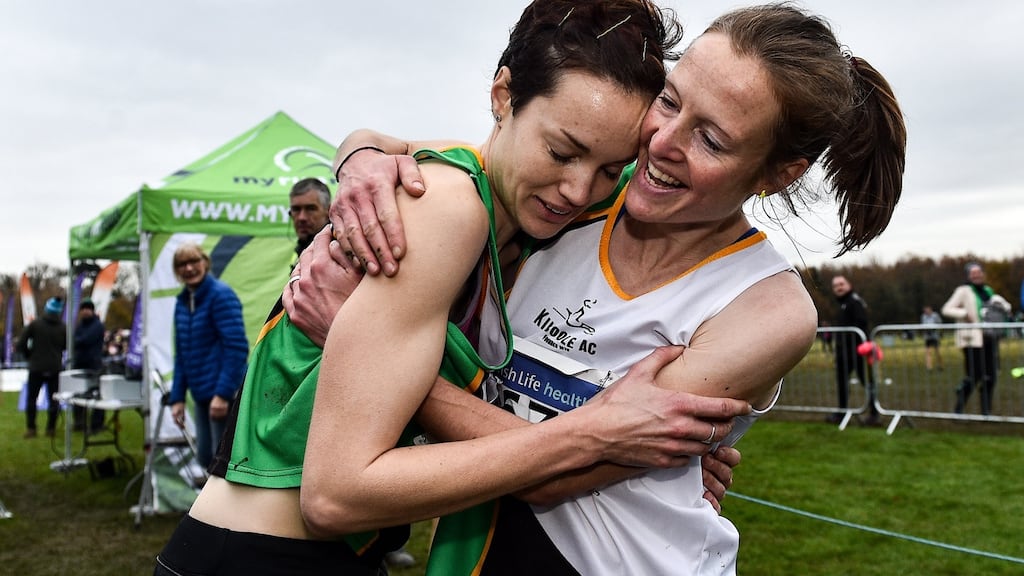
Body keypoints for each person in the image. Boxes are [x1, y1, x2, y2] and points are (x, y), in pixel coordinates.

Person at [311, 4, 906, 572]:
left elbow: (560, 474)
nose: (663, 141)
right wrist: (359, 158)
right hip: (480, 548)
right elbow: (412, 153)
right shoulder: (577, 191)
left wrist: (366, 355)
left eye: (712, 140)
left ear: (779, 175)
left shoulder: (764, 308)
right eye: (670, 101)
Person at [155, 3, 748, 575]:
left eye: (608, 170)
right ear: (502, 97)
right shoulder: (449, 207)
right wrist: (594, 436)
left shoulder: (506, 221)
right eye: (562, 152)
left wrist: (661, 465)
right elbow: (335, 496)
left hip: (315, 553)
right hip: (261, 552)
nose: (577, 190)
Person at [168, 242, 249, 469]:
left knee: (223, 462)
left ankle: (229, 506)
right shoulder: (182, 302)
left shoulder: (221, 295)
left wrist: (223, 394)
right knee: (205, 457)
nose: (189, 268)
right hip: (202, 395)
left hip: (224, 394)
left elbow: (236, 347)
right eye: (182, 264)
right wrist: (177, 398)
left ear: (205, 263)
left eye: (194, 261)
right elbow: (182, 355)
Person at [942, 262, 1012, 415]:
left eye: (979, 273)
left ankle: (986, 411)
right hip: (972, 339)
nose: (977, 276)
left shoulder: (988, 291)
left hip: (989, 338)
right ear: (968, 276)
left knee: (991, 376)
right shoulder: (963, 291)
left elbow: (1003, 305)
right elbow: (947, 309)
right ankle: (959, 404)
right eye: (973, 273)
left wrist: (1004, 310)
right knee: (975, 375)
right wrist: (964, 314)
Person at [827, 275, 879, 425]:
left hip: (858, 352)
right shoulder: (843, 304)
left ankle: (874, 414)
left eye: (841, 284)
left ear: (849, 284)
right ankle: (842, 412)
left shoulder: (854, 302)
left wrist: (858, 345)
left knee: (867, 382)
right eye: (835, 285)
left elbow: (861, 324)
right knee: (842, 382)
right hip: (844, 353)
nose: (839, 287)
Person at [17, 297, 67, 439]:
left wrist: (30, 356)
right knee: (54, 400)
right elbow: (66, 346)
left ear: (47, 308)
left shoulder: (35, 324)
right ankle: (50, 429)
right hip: (54, 367)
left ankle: (31, 429)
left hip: (36, 367)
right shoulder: (63, 327)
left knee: (32, 399)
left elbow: (21, 344)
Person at [71, 298, 106, 432]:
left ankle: (97, 423)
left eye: (87, 309)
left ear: (92, 310)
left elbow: (84, 340)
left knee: (96, 395)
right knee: (78, 394)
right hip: (80, 363)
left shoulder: (97, 325)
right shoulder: (80, 325)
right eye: (83, 309)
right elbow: (75, 340)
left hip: (93, 365)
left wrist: (78, 340)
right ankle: (79, 422)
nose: (85, 312)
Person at [288, 177, 331, 259]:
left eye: (310, 209)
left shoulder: (337, 251)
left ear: (329, 211)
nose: (302, 218)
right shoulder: (302, 249)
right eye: (296, 209)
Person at [920, 305, 944, 371]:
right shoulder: (923, 316)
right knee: (928, 352)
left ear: (930, 309)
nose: (926, 311)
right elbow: (922, 325)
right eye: (925, 310)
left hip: (935, 336)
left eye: (927, 310)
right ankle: (929, 367)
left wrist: (939, 332)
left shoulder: (935, 315)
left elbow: (940, 324)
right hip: (927, 337)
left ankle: (940, 365)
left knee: (938, 352)